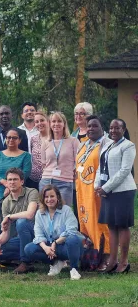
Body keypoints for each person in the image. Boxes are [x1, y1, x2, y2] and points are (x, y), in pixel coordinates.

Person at [95, 119, 136, 274]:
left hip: (123, 191)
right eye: (111, 128)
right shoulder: (107, 145)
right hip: (107, 191)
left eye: (117, 128)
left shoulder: (128, 146)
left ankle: (124, 262)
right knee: (111, 226)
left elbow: (125, 170)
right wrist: (97, 186)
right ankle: (112, 261)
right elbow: (101, 167)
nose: (113, 130)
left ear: (124, 129)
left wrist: (105, 188)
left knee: (122, 226)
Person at [24, 185, 84, 280]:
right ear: (42, 199)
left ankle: (74, 269)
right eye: (46, 197)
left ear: (58, 197)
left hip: (66, 246)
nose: (49, 199)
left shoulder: (66, 210)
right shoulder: (39, 213)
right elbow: (38, 234)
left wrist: (55, 243)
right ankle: (55, 263)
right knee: (29, 249)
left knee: (73, 238)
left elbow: (71, 230)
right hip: (50, 246)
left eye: (52, 196)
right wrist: (45, 248)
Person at [75, 115, 112, 269]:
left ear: (101, 127)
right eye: (89, 126)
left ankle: (106, 257)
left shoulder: (106, 144)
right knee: (86, 222)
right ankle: (91, 258)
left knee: (101, 223)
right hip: (82, 191)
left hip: (97, 191)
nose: (91, 129)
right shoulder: (82, 145)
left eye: (95, 126)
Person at [0, 168, 38, 273]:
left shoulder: (32, 192)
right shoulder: (6, 202)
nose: (12, 182)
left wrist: (10, 216)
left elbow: (29, 214)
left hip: (37, 235)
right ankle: (29, 256)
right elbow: (6, 230)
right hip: (21, 239)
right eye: (9, 180)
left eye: (15, 179)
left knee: (21, 222)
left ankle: (26, 262)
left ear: (22, 181)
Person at [0, 128, 32, 237]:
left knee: (18, 223)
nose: (11, 140)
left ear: (20, 140)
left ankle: (17, 249)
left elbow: (25, 173)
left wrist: (11, 187)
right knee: (1, 224)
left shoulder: (26, 156)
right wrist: (5, 183)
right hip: (0, 195)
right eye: (8, 137)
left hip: (18, 196)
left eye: (14, 137)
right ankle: (1, 249)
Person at [0, 106, 28, 205]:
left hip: (17, 185)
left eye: (7, 113)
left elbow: (25, 156)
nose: (4, 116)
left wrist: (14, 183)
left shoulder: (21, 133)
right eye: (1, 114)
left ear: (11, 115)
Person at [39, 112, 80, 206]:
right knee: (45, 212)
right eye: (53, 121)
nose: (56, 124)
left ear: (64, 124)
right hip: (46, 181)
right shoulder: (46, 143)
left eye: (59, 121)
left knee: (63, 211)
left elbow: (79, 162)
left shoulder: (73, 141)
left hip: (65, 182)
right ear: (50, 124)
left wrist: (76, 172)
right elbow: (44, 164)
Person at [29, 112, 50, 188]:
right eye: (36, 122)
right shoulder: (33, 139)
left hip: (50, 179)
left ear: (48, 121)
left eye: (42, 120)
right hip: (34, 180)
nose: (39, 123)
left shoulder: (54, 138)